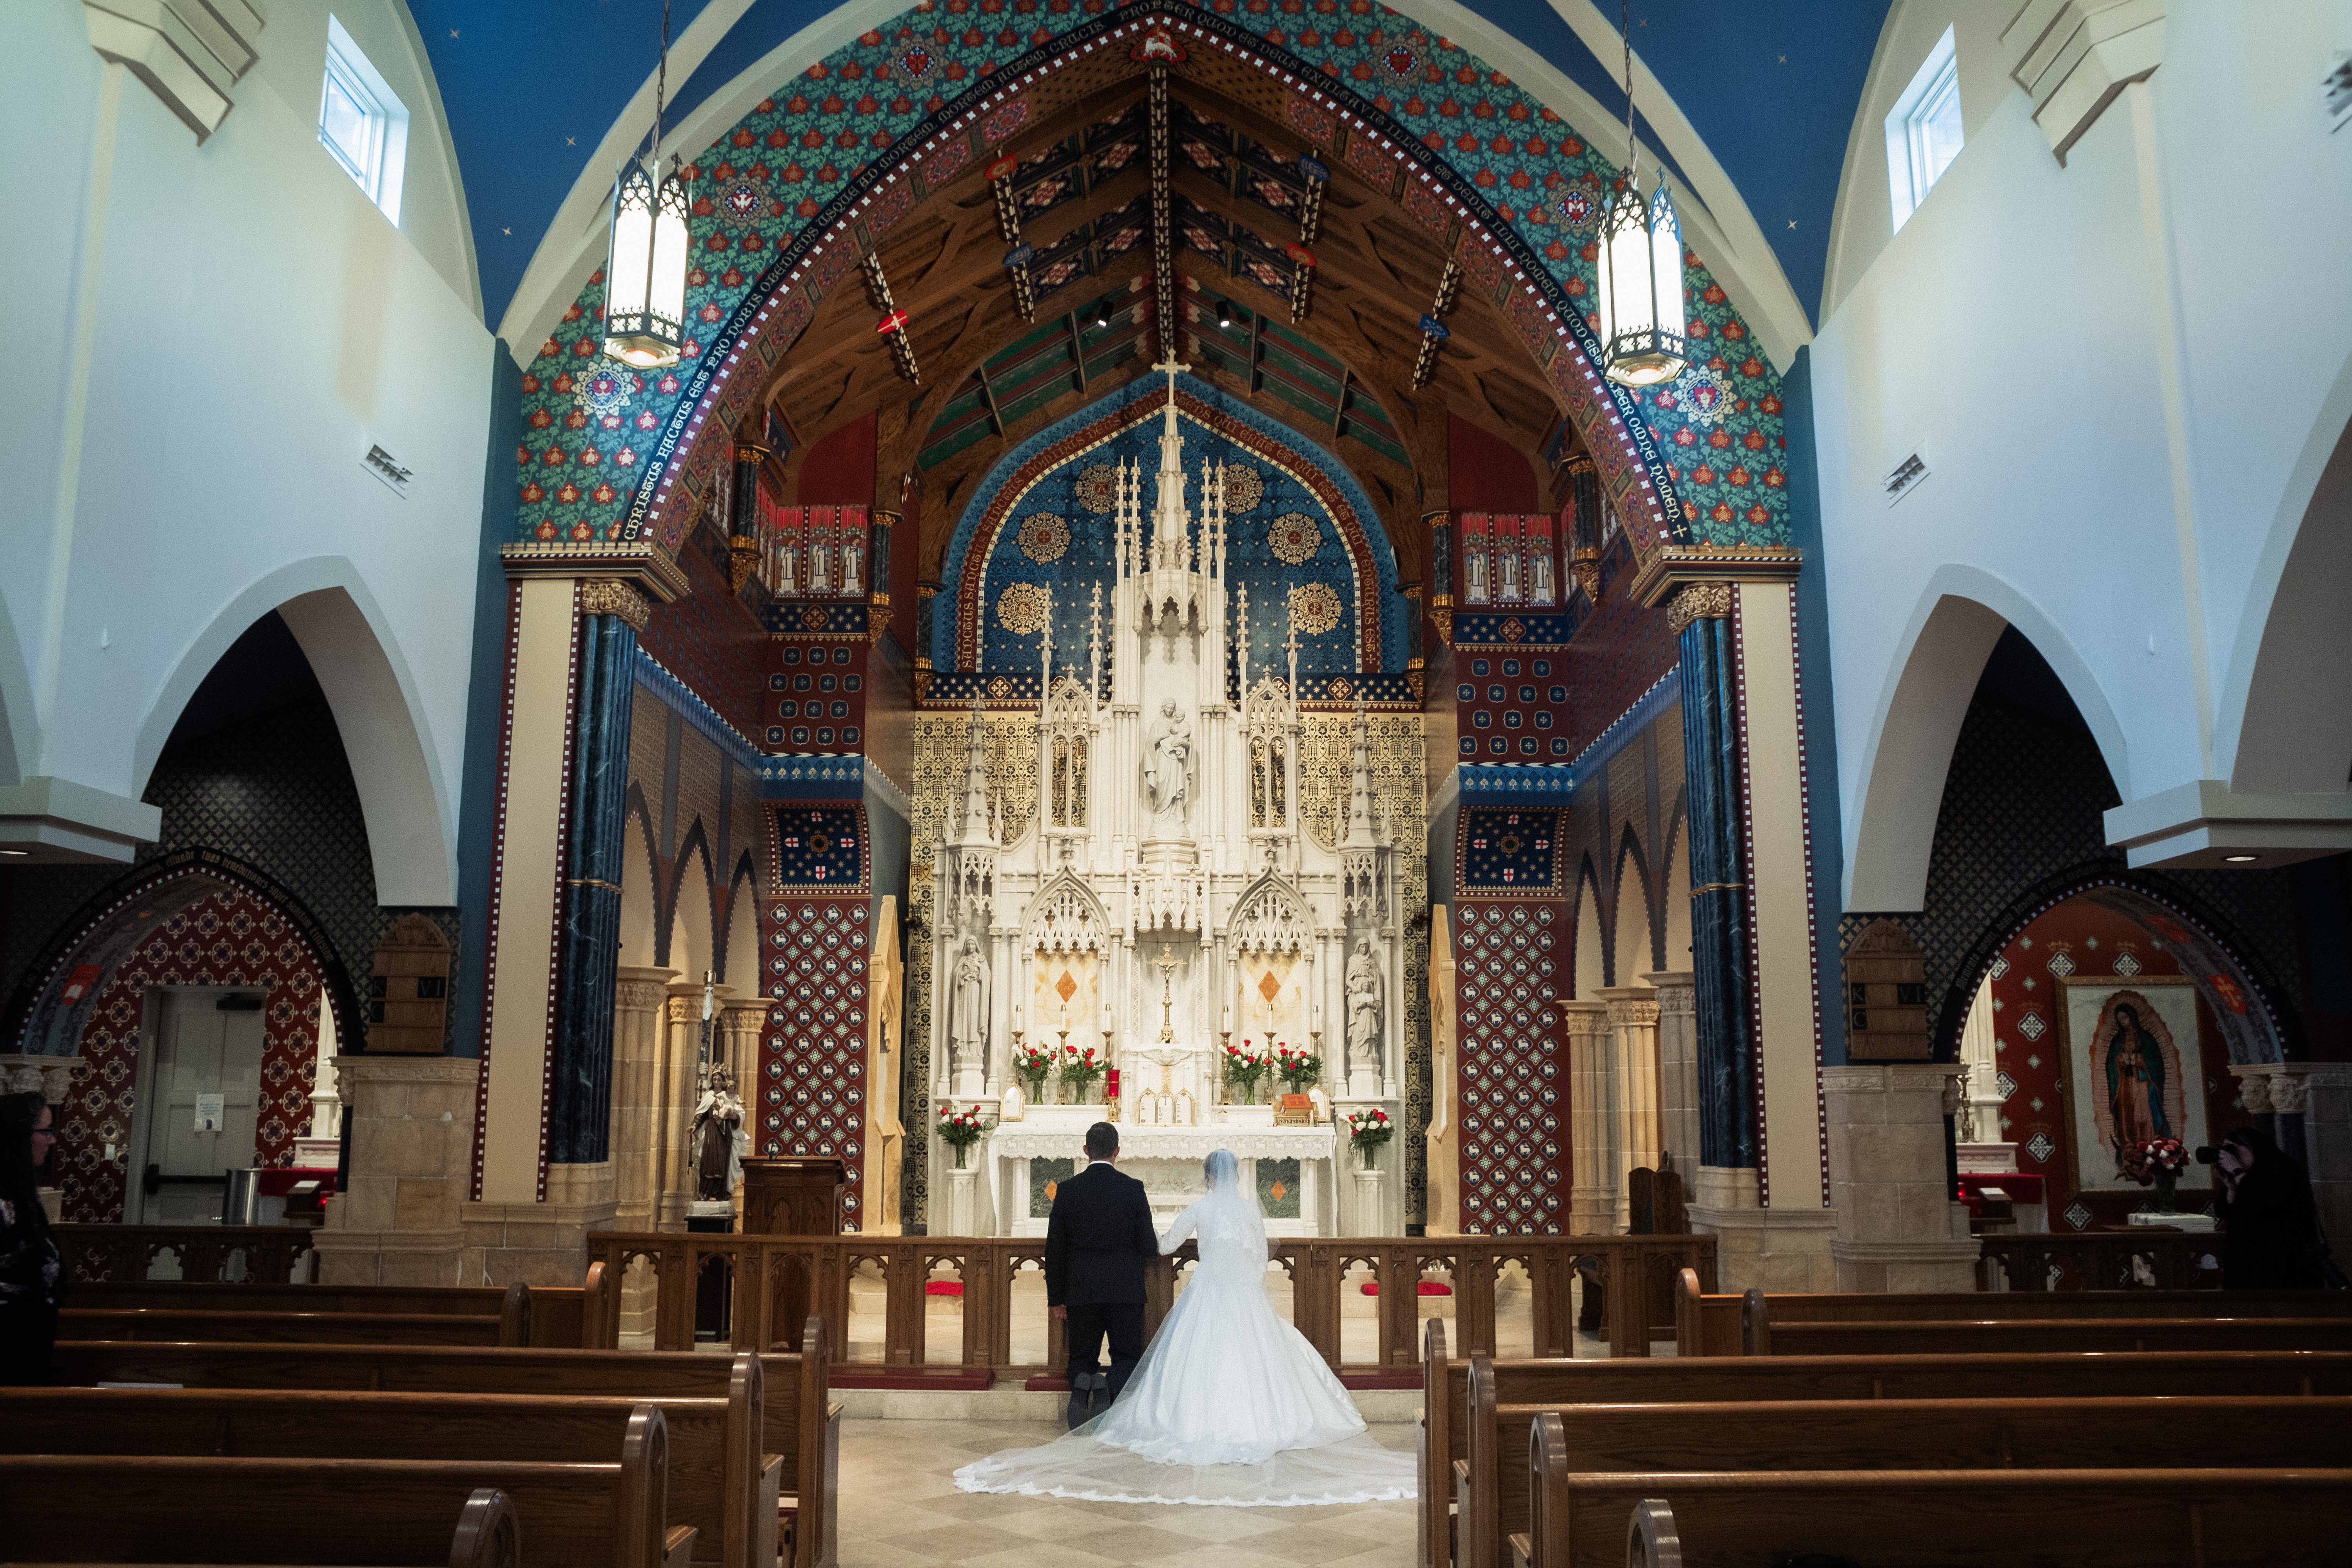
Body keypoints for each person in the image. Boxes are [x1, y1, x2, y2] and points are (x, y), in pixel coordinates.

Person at [956, 1147, 1417, 1506]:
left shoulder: (1200, 1208)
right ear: (1235, 1176)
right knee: (1259, 1358)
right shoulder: (1251, 1211)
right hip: (1244, 1295)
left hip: (1207, 1293)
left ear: (1208, 1177)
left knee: (1193, 1359)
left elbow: (1165, 1245)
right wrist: (1245, 1282)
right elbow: (1261, 1254)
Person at [1041, 1122, 1157, 1429]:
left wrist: (1056, 1299)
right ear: (1117, 1152)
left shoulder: (1067, 1191)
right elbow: (1148, 1246)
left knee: (1082, 1353)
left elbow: (1054, 1250)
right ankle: (1109, 1391)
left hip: (1081, 1290)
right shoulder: (1133, 1189)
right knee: (1126, 1355)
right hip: (1125, 1290)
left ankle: (1081, 1388)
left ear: (1085, 1151)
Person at [0, 1092, 63, 1387]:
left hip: (26, 1338)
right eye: (46, 1132)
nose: (52, 1141)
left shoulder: (20, 1193)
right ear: (18, 1135)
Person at [2214, 1126, 2324, 1290]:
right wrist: (2232, 1188)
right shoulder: (2241, 1175)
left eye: (2233, 1150)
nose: (2229, 1156)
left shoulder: (2280, 1167)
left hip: (2280, 1257)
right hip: (2247, 1258)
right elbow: (2226, 1212)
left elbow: (2267, 1205)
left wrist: (2238, 1172)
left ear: (2253, 1148)